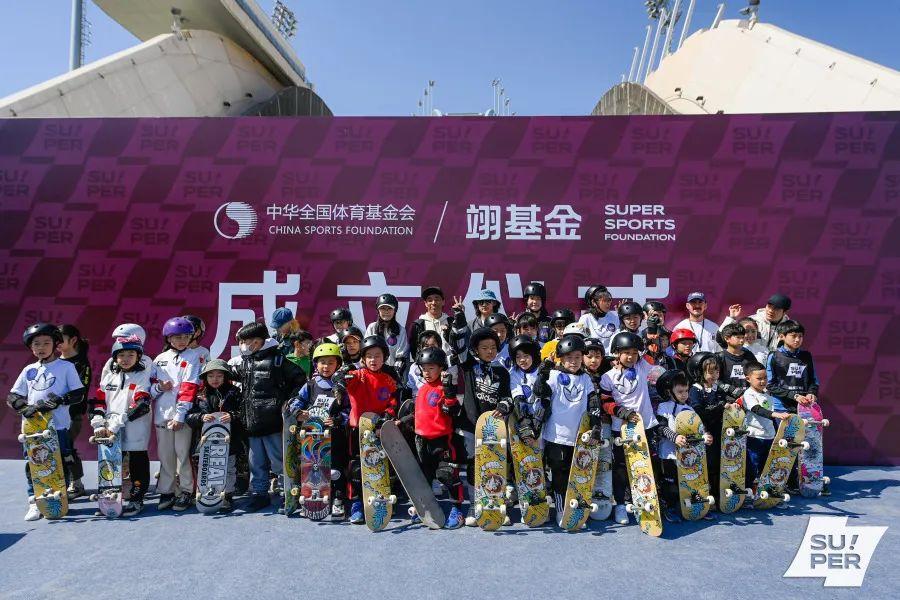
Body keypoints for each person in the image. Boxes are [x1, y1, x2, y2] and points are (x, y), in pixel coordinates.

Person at [7, 324, 85, 521]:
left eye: (46, 343)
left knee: (60, 462)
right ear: (31, 347)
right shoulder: (29, 370)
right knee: (33, 464)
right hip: (33, 427)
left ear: (56, 344)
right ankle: (35, 502)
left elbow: (78, 393)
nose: (41, 347)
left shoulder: (66, 367)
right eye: (36, 344)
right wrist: (22, 407)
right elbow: (13, 395)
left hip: (57, 426)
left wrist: (60, 400)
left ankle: (59, 498)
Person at [233, 321, 307, 512]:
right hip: (251, 421)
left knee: (279, 460)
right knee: (255, 462)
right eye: (243, 341)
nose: (245, 345)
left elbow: (300, 379)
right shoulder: (245, 361)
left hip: (273, 421)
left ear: (260, 340)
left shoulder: (278, 360)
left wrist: (289, 402)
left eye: (249, 341)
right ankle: (259, 494)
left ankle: (286, 493)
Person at [532, 336, 603, 527]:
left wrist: (596, 428)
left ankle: (577, 508)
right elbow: (540, 392)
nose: (574, 361)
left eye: (578, 357)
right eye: (569, 357)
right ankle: (560, 508)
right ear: (561, 359)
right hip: (556, 436)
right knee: (559, 474)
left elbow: (594, 404)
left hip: (579, 437)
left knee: (579, 474)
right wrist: (543, 373)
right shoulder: (554, 375)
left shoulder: (585, 378)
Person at [91, 336, 162, 516]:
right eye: (121, 355)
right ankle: (110, 500)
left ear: (138, 357)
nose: (126, 359)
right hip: (110, 431)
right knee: (110, 465)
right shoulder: (110, 377)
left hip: (135, 430)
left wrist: (118, 422)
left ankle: (137, 499)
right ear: (115, 358)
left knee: (137, 464)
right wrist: (98, 422)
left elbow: (141, 405)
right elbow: (99, 402)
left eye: (131, 354)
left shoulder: (142, 377)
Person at [398, 347, 466, 528]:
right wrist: (402, 422)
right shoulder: (422, 390)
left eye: (431, 368)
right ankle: (425, 508)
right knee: (424, 478)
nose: (427, 372)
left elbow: (453, 410)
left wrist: (449, 394)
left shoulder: (445, 388)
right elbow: (418, 414)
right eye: (424, 368)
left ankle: (457, 509)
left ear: (441, 368)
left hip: (442, 441)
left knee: (447, 475)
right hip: (422, 441)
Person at [598, 332, 660, 526]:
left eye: (634, 353)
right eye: (626, 353)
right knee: (621, 468)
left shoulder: (642, 366)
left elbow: (652, 353)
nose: (631, 357)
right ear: (617, 353)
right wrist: (622, 412)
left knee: (646, 465)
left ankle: (646, 500)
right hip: (622, 428)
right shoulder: (608, 377)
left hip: (645, 425)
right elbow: (605, 402)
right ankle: (620, 505)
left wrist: (652, 334)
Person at [339, 335, 400, 524]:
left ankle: (383, 499)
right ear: (363, 359)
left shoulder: (388, 379)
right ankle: (356, 503)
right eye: (369, 356)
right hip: (357, 429)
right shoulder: (358, 375)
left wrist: (388, 415)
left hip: (378, 429)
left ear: (384, 357)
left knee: (381, 464)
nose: (373, 360)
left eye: (377, 356)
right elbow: (345, 380)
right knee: (356, 467)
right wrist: (342, 375)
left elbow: (393, 402)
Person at [287, 342, 350, 518]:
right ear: (316, 364)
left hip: (335, 435)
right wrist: (298, 413)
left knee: (336, 468)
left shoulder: (341, 387)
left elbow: (348, 409)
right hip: (313, 436)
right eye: (322, 362)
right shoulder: (311, 385)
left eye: (331, 363)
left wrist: (337, 419)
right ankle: (313, 498)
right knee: (314, 467)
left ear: (338, 364)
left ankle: (338, 499)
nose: (326, 366)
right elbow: (296, 402)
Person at [153, 317, 203, 512]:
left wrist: (180, 416)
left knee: (183, 456)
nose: (182, 340)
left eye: (186, 336)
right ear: (168, 338)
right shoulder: (159, 359)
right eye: (177, 337)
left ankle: (186, 490)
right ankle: (167, 491)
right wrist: (158, 388)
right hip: (161, 415)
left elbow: (190, 387)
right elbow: (149, 388)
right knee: (165, 456)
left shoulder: (194, 357)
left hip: (182, 417)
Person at [766, 319, 819, 492]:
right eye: (793, 336)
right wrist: (794, 396)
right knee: (785, 446)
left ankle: (802, 480)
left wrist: (812, 393)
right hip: (782, 408)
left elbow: (814, 381)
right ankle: (781, 482)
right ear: (782, 336)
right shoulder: (774, 356)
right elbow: (770, 385)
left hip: (804, 409)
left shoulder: (806, 356)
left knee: (804, 446)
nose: (797, 339)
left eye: (800, 336)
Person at [654, 369, 713, 523]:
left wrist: (705, 437)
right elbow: (660, 428)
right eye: (680, 391)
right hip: (669, 453)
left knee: (692, 480)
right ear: (669, 391)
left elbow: (699, 429)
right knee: (671, 483)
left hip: (689, 454)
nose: (684, 395)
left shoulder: (690, 408)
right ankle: (670, 507)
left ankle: (696, 506)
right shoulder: (664, 407)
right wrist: (674, 437)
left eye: (686, 391)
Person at [185, 359, 243, 513]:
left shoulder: (234, 392)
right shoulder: (200, 394)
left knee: (228, 468)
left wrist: (232, 416)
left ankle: (227, 496)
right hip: (205, 442)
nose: (215, 379)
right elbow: (189, 416)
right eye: (210, 376)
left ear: (225, 377)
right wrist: (200, 417)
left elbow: (243, 413)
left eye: (219, 376)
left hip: (229, 440)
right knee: (207, 469)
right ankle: (206, 494)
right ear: (205, 377)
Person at [687, 352, 738, 503]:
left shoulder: (717, 388)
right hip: (704, 431)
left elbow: (727, 400)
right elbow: (698, 410)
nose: (714, 375)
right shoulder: (696, 389)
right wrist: (720, 406)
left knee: (718, 462)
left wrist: (733, 404)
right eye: (710, 372)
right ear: (699, 372)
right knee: (706, 463)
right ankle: (704, 493)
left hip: (719, 430)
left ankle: (717, 492)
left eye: (717, 371)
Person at [741, 362, 792, 491]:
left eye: (765, 378)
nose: (763, 381)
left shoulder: (767, 393)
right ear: (748, 379)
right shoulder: (748, 394)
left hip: (769, 436)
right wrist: (776, 414)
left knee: (768, 465)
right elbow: (758, 410)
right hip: (754, 437)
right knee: (752, 467)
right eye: (759, 378)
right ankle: (749, 491)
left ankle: (766, 490)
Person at [57, 324, 91, 499]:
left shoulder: (81, 364)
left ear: (73, 340)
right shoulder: (54, 362)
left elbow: (80, 392)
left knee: (67, 448)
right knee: (54, 450)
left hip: (72, 415)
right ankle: (57, 484)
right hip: (53, 415)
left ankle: (76, 484)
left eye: (60, 339)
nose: (56, 342)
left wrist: (63, 402)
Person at [721, 293, 792, 352]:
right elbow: (723, 337)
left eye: (776, 308)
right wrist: (731, 318)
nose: (770, 310)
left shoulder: (789, 328)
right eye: (769, 306)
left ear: (785, 312)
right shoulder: (752, 321)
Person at [365, 294, 410, 373]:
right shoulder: (372, 328)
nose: (386, 311)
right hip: (373, 372)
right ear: (378, 310)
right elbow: (366, 351)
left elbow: (401, 356)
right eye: (382, 308)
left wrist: (394, 372)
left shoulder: (401, 330)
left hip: (393, 373)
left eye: (389, 308)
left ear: (395, 310)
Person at [409, 286, 453, 353]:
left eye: (437, 299)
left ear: (443, 302)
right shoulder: (418, 325)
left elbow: (458, 345)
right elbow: (414, 350)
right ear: (425, 304)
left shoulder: (451, 322)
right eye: (430, 300)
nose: (433, 303)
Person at [716, 322, 755, 397]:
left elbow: (755, 374)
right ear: (727, 338)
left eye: (743, 337)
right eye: (738, 337)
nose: (742, 340)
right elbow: (714, 379)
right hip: (726, 399)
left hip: (748, 398)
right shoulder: (719, 357)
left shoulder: (749, 356)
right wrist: (731, 389)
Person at [578, 285, 619, 353]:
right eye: (604, 300)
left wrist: (622, 315)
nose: (608, 303)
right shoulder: (586, 318)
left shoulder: (614, 317)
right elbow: (580, 341)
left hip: (611, 358)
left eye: (609, 300)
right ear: (593, 302)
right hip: (593, 356)